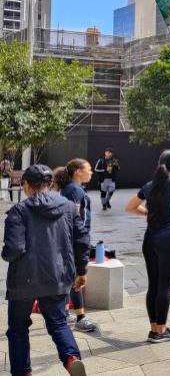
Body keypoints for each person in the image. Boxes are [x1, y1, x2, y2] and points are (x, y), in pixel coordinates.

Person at [3, 165, 91, 376]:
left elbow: (13, 249)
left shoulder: (19, 211)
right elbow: (82, 239)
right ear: (49, 184)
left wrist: (5, 253)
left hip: (23, 281)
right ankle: (71, 359)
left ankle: (23, 372)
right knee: (59, 322)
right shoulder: (69, 207)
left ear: (26, 186)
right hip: (58, 277)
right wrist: (81, 270)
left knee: (18, 329)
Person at [125, 150, 170, 344]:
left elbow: (130, 207)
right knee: (165, 286)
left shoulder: (150, 185)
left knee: (154, 285)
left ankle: (154, 329)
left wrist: (147, 214)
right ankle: (161, 331)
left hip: (150, 239)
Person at [54, 159, 98, 333]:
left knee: (69, 276)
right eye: (89, 169)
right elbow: (74, 218)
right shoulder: (74, 190)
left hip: (70, 239)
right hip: (74, 239)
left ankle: (65, 313)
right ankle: (80, 317)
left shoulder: (72, 189)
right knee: (76, 277)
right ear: (78, 171)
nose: (91, 172)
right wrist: (81, 239)